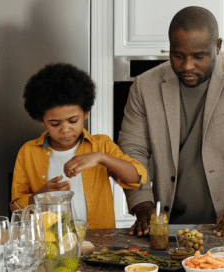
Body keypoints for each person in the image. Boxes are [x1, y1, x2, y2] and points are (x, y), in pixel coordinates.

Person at [119, 6, 224, 237]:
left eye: (198, 56)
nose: (187, 66)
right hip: (168, 224)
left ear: (218, 46)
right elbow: (132, 150)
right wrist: (142, 204)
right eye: (178, 55)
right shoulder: (145, 86)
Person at [11, 63, 147, 229]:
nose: (65, 129)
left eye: (73, 121)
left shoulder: (100, 145)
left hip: (97, 241)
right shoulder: (28, 152)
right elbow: (16, 208)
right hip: (48, 242)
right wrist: (42, 196)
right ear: (41, 120)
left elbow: (137, 178)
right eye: (55, 123)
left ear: (86, 113)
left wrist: (101, 158)